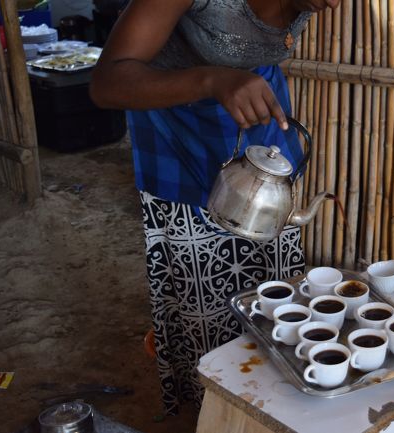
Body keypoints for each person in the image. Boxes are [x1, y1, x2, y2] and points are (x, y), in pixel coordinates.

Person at [90, 0, 341, 415]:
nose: (334, 4)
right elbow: (107, 83)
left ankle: (271, 407)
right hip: (179, 126)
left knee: (272, 283)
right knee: (204, 288)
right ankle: (214, 407)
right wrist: (213, 80)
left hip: (256, 118)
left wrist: (238, 83)